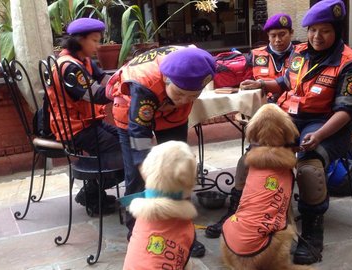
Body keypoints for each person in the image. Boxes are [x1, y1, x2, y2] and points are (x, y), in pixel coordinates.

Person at [239, 0, 352, 265]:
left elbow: (346, 112)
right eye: (312, 30)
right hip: (292, 118)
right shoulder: (299, 53)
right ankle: (240, 214)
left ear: (337, 31)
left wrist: (319, 136)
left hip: (328, 123)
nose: (317, 37)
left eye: (325, 31)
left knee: (309, 167)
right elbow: (286, 82)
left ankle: (311, 233)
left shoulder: (350, 64)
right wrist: (262, 82)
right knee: (254, 155)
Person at [106, 45, 216, 257]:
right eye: (181, 93)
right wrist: (148, 170)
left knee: (176, 172)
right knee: (137, 178)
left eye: (192, 96)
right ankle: (136, 234)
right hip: (132, 116)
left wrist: (179, 98)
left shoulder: (196, 67)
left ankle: (182, 233)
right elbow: (139, 135)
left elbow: (182, 97)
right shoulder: (144, 84)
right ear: (167, 79)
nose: (184, 100)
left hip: (171, 116)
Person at [204, 12, 295, 239]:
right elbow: (227, 70)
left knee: (262, 157)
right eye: (273, 35)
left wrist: (263, 84)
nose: (277, 40)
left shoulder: (302, 54)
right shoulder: (255, 55)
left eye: (282, 34)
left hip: (293, 121)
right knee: (246, 161)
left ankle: (279, 213)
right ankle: (234, 210)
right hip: (262, 123)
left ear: (291, 34)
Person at [47, 18, 122, 214]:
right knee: (119, 151)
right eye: (95, 40)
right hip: (74, 128)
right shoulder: (69, 67)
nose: (98, 46)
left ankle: (94, 191)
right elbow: (96, 95)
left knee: (126, 138)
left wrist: (123, 78)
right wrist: (122, 89)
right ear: (80, 40)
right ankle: (91, 193)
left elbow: (103, 78)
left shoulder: (84, 60)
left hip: (89, 123)